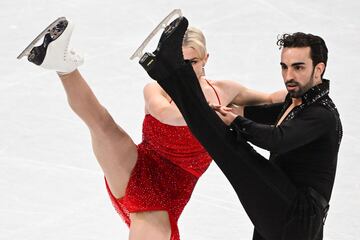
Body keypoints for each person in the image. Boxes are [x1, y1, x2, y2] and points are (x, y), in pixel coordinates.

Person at [20, 18, 286, 240]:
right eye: (179, 64)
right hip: (138, 165)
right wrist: (212, 113)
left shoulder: (225, 91)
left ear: (206, 59)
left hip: (168, 193)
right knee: (102, 125)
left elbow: (272, 100)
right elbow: (165, 113)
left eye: (192, 63)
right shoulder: (158, 88)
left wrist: (306, 88)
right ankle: (61, 64)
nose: (185, 71)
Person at [140, 16, 342, 240]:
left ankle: (168, 69)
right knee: (222, 134)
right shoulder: (297, 103)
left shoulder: (322, 115)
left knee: (229, 146)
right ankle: (167, 69)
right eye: (284, 67)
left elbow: (276, 139)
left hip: (297, 213)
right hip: (283, 204)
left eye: (298, 67)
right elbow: (250, 113)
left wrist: (234, 122)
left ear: (319, 69)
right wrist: (221, 111)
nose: (289, 76)